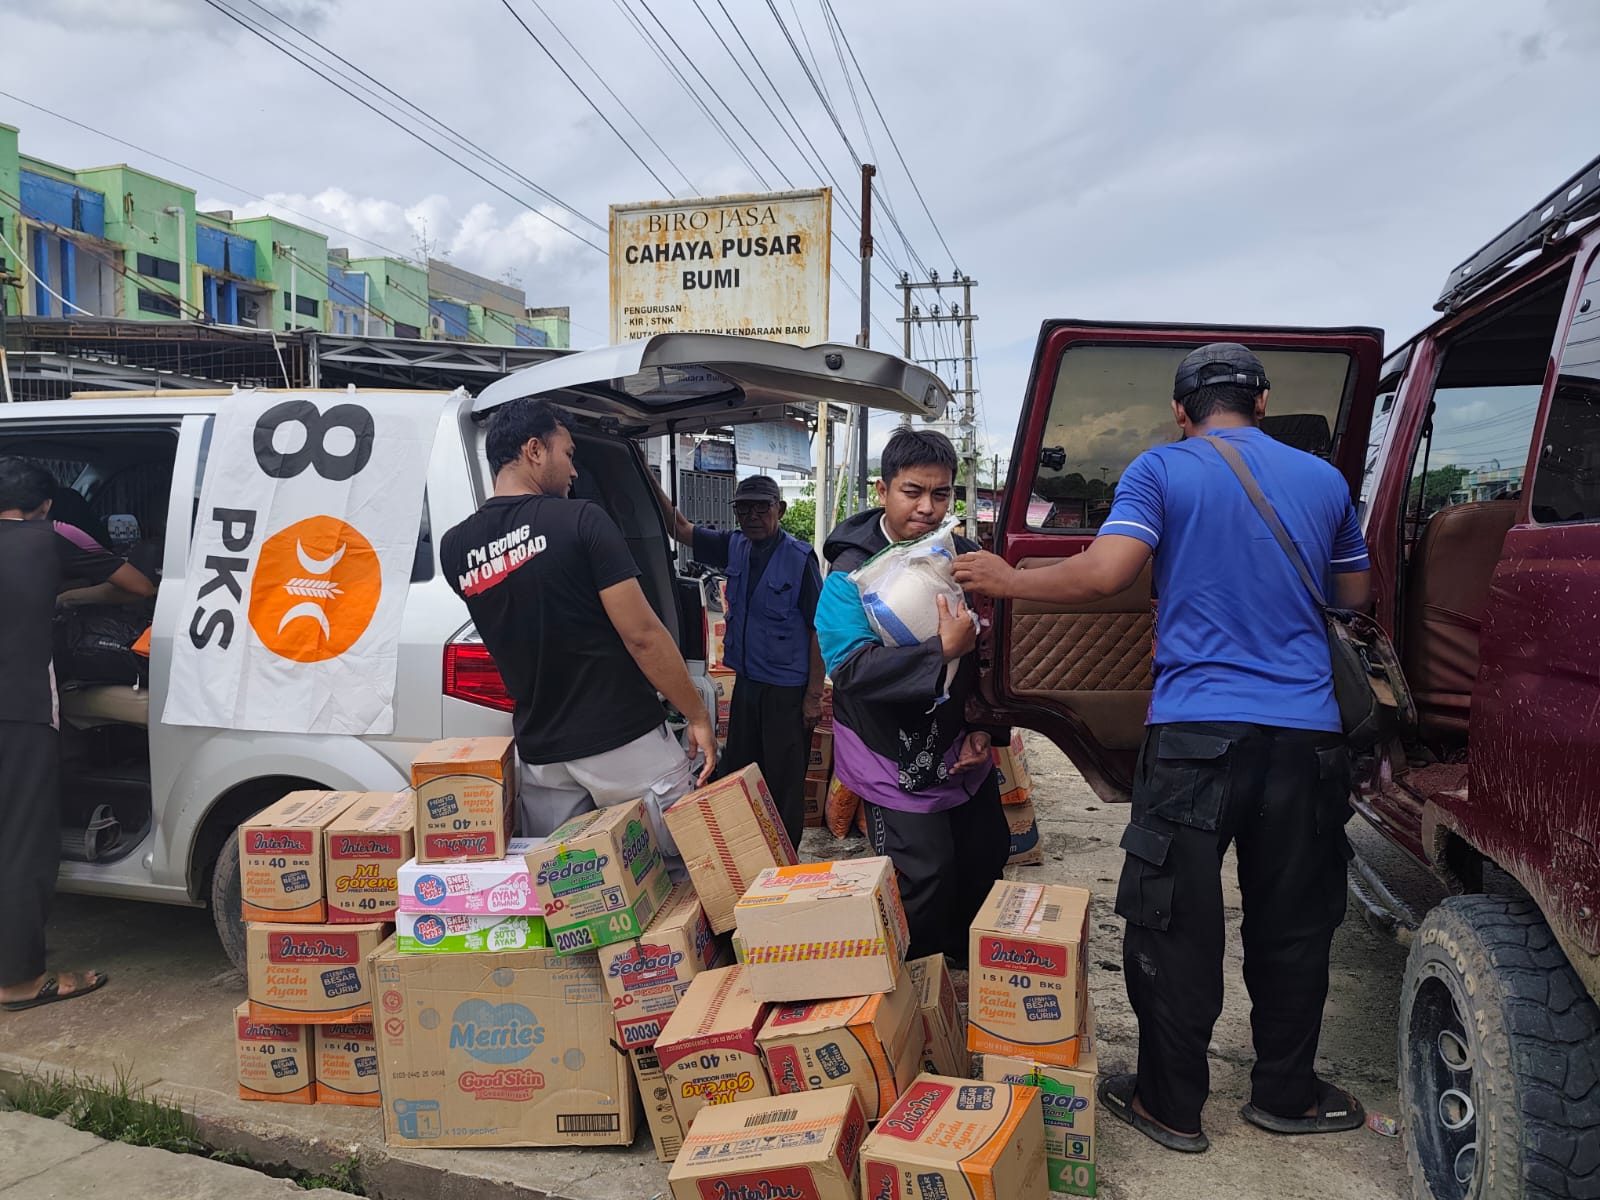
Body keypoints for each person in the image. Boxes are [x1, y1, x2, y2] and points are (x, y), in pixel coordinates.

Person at [953, 343, 1372, 1153]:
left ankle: (1169, 1105)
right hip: (1306, 741)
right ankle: (1286, 1093)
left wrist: (1008, 581)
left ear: (1182, 410)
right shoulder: (1325, 481)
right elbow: (1353, 594)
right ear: (1264, 400)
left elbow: (1108, 573)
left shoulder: (1162, 469)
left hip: (1195, 737)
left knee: (1175, 921)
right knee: (1294, 922)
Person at [440, 398, 716, 856]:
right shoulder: (581, 519)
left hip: (543, 756)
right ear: (534, 450)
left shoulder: (456, 549)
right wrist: (698, 714)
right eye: (567, 455)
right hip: (622, 739)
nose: (573, 472)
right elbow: (643, 637)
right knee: (676, 873)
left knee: (569, 891)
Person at [814, 428, 1010, 963]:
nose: (927, 507)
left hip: (959, 744)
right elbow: (850, 669)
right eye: (912, 491)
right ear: (883, 490)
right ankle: (914, 988)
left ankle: (962, 981)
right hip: (888, 750)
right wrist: (939, 649)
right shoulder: (848, 573)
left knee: (983, 859)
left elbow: (990, 655)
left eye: (941, 494)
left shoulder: (962, 558)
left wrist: (984, 729)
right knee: (921, 877)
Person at [0, 457, 155, 1012]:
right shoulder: (53, 535)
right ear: (44, 505)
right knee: (20, 843)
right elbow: (136, 585)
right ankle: (17, 982)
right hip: (16, 710)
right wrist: (67, 597)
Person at [655, 474, 824, 849]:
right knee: (742, 773)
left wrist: (813, 696)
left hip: (786, 691)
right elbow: (680, 528)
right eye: (743, 508)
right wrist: (641, 470)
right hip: (747, 684)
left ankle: (783, 861)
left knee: (783, 782)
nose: (751, 515)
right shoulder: (735, 546)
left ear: (780, 509)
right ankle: (747, 851)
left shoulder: (799, 559)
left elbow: (818, 630)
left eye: (761, 507)